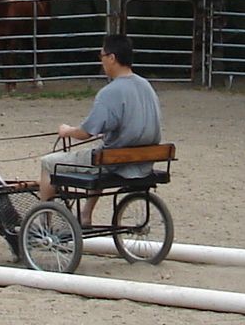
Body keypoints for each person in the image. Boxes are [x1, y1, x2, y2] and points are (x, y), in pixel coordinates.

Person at [39, 34, 162, 226]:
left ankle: (43, 223)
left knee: (48, 163)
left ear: (112, 58)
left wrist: (67, 131)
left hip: (115, 161)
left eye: (102, 56)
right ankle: (85, 213)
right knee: (100, 156)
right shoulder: (146, 86)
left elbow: (86, 132)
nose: (101, 61)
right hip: (143, 159)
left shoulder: (110, 92)